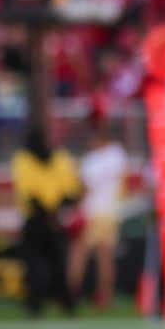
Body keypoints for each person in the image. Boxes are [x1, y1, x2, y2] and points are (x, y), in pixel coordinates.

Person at [11, 126, 81, 317]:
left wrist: (49, 210)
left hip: (38, 219)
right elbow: (71, 190)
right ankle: (63, 303)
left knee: (38, 264)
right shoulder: (59, 159)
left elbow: (28, 191)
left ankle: (38, 304)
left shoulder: (24, 161)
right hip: (50, 220)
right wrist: (56, 210)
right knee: (55, 263)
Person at [69, 123, 127, 309]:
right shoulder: (118, 155)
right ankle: (105, 297)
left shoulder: (91, 161)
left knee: (79, 253)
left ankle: (72, 292)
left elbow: (84, 188)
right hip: (110, 212)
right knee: (106, 257)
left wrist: (75, 208)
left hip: (91, 212)